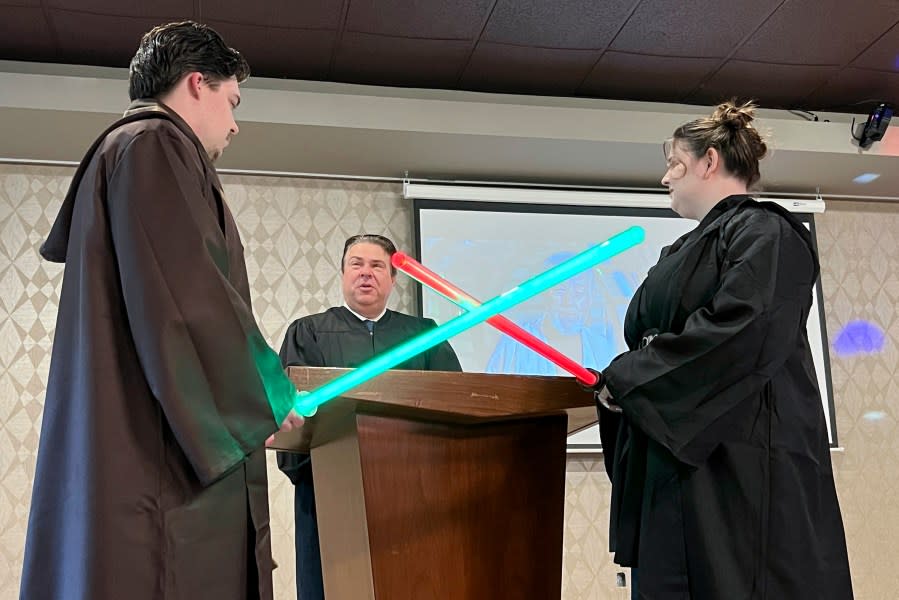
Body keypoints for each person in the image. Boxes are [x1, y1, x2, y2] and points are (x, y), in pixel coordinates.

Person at [21, 21, 303, 600]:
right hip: (159, 471)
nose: (235, 123)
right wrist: (269, 397)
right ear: (197, 83)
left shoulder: (133, 152)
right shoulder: (153, 145)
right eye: (232, 101)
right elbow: (187, 298)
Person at [589, 100, 853, 599]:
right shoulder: (679, 251)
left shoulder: (765, 232)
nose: (665, 178)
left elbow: (743, 329)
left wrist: (630, 378)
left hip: (738, 466)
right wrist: (621, 383)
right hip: (675, 462)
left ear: (710, 161)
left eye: (674, 163)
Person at [277, 233, 462, 600]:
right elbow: (290, 417)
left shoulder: (424, 335)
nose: (366, 273)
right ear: (343, 274)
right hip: (331, 493)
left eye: (378, 266)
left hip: (413, 493)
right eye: (356, 265)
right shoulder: (308, 333)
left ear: (394, 279)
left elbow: (454, 405)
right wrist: (315, 472)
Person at [486, 251, 618, 375]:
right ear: (544, 295)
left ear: (590, 297)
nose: (569, 301)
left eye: (579, 292)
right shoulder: (515, 341)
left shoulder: (601, 345)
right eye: (560, 291)